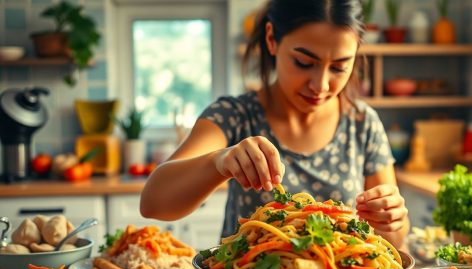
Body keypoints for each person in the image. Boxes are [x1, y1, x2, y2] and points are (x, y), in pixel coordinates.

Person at [140, 0, 409, 247]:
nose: (321, 85)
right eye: (304, 62)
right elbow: (153, 203)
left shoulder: (362, 123)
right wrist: (218, 162)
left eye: (339, 67)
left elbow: (394, 240)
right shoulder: (234, 115)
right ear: (271, 40)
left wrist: (392, 218)